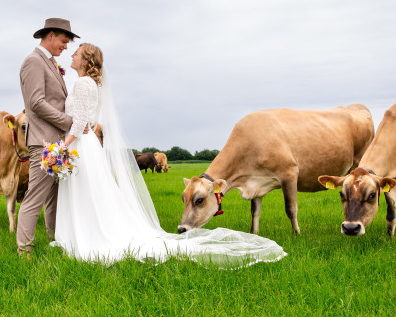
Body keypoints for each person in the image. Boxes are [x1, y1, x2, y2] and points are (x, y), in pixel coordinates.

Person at [53, 43, 287, 267]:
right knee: (89, 192)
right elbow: (91, 120)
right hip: (88, 145)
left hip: (80, 145)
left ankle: (81, 236)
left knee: (84, 191)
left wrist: (65, 146)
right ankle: (82, 233)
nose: (72, 55)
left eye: (77, 53)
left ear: (86, 60)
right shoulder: (94, 85)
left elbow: (82, 120)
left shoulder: (83, 84)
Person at [15, 18, 80, 257]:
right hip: (43, 141)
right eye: (63, 41)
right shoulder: (33, 61)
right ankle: (25, 250)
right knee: (35, 196)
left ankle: (55, 240)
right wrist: (69, 122)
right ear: (50, 35)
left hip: (57, 141)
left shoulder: (51, 63)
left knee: (54, 197)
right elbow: (36, 103)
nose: (65, 47)